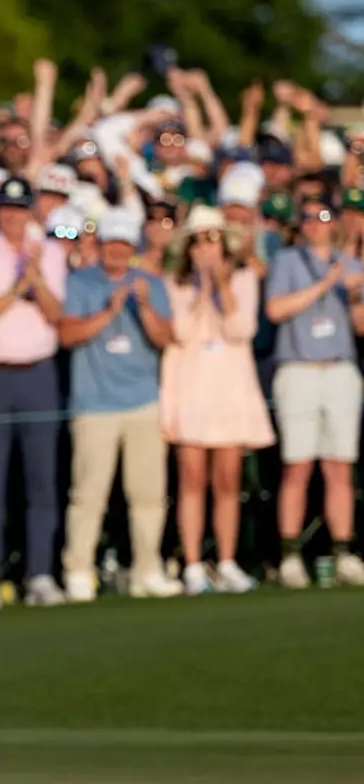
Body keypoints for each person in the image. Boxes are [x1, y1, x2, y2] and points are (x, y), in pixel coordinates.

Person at [58, 208, 177, 602]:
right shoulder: (81, 282)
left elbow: (164, 338)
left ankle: (147, 569)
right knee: (88, 494)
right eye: (111, 244)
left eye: (124, 246)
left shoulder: (150, 283)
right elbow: (69, 334)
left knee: (147, 495)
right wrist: (110, 310)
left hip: (143, 401)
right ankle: (79, 570)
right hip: (94, 405)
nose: (117, 253)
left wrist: (142, 306)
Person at [160, 206, 274, 594]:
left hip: (229, 390)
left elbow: (241, 329)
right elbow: (180, 331)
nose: (207, 247)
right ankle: (192, 564)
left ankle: (226, 560)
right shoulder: (176, 285)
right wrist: (203, 289)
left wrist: (222, 286)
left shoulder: (243, 280)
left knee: (228, 480)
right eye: (199, 240)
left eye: (212, 238)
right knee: (191, 478)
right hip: (192, 390)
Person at [0, 177, 68, 609]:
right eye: (6, 209)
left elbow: (55, 314)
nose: (13, 217)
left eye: (19, 209)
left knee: (41, 480)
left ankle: (41, 573)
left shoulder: (52, 252)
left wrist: (36, 279)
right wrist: (17, 286)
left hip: (39, 374)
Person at [263, 199, 364, 587]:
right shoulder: (288, 261)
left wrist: (353, 294)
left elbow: (358, 324)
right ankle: (290, 555)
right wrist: (326, 283)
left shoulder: (350, 264)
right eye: (308, 218)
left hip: (339, 368)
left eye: (323, 218)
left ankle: (343, 551)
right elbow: (276, 310)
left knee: (339, 466)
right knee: (298, 465)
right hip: (299, 369)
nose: (316, 225)